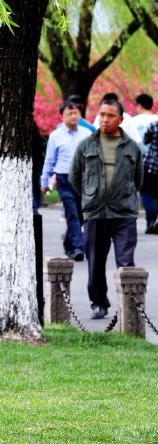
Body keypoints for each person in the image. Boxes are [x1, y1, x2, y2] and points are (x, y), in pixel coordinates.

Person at [70, 92, 144, 320]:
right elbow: (75, 177)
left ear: (121, 119)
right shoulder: (86, 146)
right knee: (95, 261)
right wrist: (91, 196)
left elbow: (138, 179)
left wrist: (125, 196)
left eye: (110, 116)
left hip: (124, 214)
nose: (104, 119)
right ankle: (98, 303)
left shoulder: (132, 147)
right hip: (95, 212)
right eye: (101, 115)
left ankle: (130, 305)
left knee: (125, 263)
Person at [39, 98, 88, 260]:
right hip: (64, 178)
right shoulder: (56, 136)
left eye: (76, 113)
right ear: (63, 116)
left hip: (83, 178)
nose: (73, 117)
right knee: (71, 212)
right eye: (70, 113)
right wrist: (44, 182)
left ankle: (69, 242)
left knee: (81, 213)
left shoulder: (87, 134)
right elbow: (49, 160)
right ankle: (78, 247)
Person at [141, 118, 158, 233]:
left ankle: (150, 221)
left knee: (147, 193)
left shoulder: (154, 125)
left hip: (151, 165)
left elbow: (146, 141)